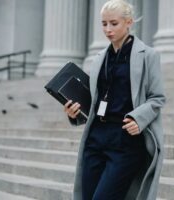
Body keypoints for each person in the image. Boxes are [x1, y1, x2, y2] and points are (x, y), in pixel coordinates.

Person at [64, 0, 166, 199]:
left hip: (125, 141)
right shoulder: (98, 58)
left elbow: (157, 98)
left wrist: (139, 118)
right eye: (104, 24)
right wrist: (74, 112)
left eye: (114, 23)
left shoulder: (149, 55)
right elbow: (94, 101)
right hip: (95, 138)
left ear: (128, 22)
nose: (108, 29)